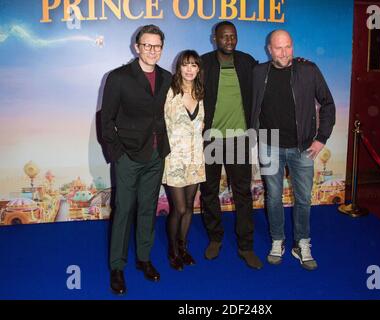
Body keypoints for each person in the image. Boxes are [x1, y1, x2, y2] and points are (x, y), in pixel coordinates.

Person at [251, 30, 335, 270]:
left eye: (288, 47)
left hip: (303, 147)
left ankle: (302, 243)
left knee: (303, 198)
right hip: (269, 144)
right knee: (273, 197)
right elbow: (249, 104)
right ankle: (278, 240)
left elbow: (327, 103)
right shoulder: (258, 73)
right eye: (278, 48)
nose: (284, 52)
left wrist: (321, 138)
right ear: (269, 49)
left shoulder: (308, 70)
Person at [101, 24, 172, 295]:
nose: (152, 50)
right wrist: (117, 153)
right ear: (137, 47)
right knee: (123, 211)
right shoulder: (118, 77)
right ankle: (117, 267)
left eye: (157, 46)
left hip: (156, 155)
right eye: (147, 45)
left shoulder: (167, 77)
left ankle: (144, 259)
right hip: (128, 156)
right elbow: (106, 120)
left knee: (148, 209)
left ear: (162, 48)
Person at [200, 21, 262, 269]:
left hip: (239, 140)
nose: (229, 40)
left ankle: (246, 246)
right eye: (224, 36)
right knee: (209, 192)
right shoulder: (203, 63)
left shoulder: (248, 62)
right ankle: (215, 238)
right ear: (215, 38)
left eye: (233, 36)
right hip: (211, 138)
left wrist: (296, 63)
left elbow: (271, 74)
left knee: (243, 194)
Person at [162, 50, 206, 271]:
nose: (189, 69)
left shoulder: (201, 92)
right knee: (178, 208)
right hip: (174, 159)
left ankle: (184, 247)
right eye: (185, 65)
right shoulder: (169, 92)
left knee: (189, 206)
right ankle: (173, 249)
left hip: (196, 157)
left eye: (194, 65)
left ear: (198, 69)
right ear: (178, 67)